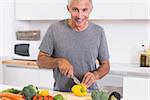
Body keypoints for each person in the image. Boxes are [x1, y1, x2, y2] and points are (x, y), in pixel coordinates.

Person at [37, 0, 110, 92]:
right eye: (75, 9)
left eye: (84, 10)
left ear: (91, 9)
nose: (79, 16)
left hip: (89, 93)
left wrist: (96, 75)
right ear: (68, 9)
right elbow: (40, 61)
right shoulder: (54, 29)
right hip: (62, 94)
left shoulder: (98, 32)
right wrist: (58, 62)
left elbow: (106, 65)